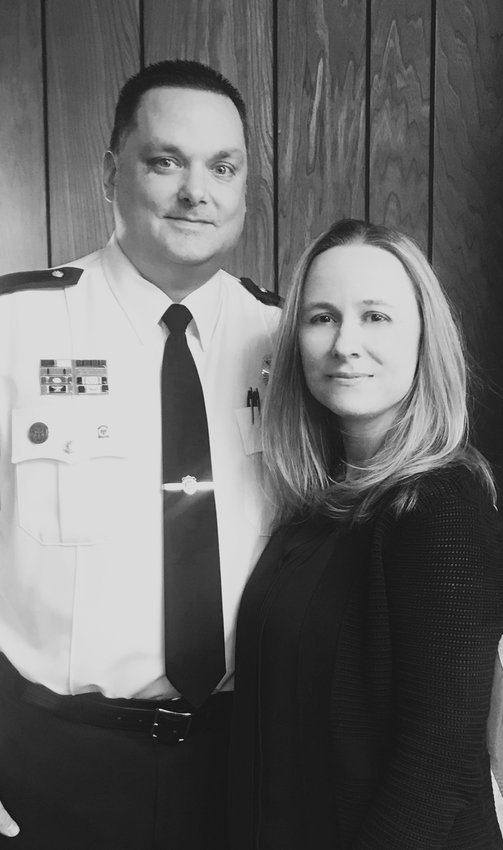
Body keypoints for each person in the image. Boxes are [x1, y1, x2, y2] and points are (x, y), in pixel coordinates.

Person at [0, 60, 279, 848]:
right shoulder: (14, 329)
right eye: (166, 161)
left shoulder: (290, 342)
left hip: (245, 765)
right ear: (110, 173)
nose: (197, 191)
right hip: (50, 765)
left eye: (222, 167)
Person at [228, 218, 503, 849]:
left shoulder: (442, 509)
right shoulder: (317, 502)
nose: (345, 343)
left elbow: (434, 774)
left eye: (377, 317)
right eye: (322, 317)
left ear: (424, 339)